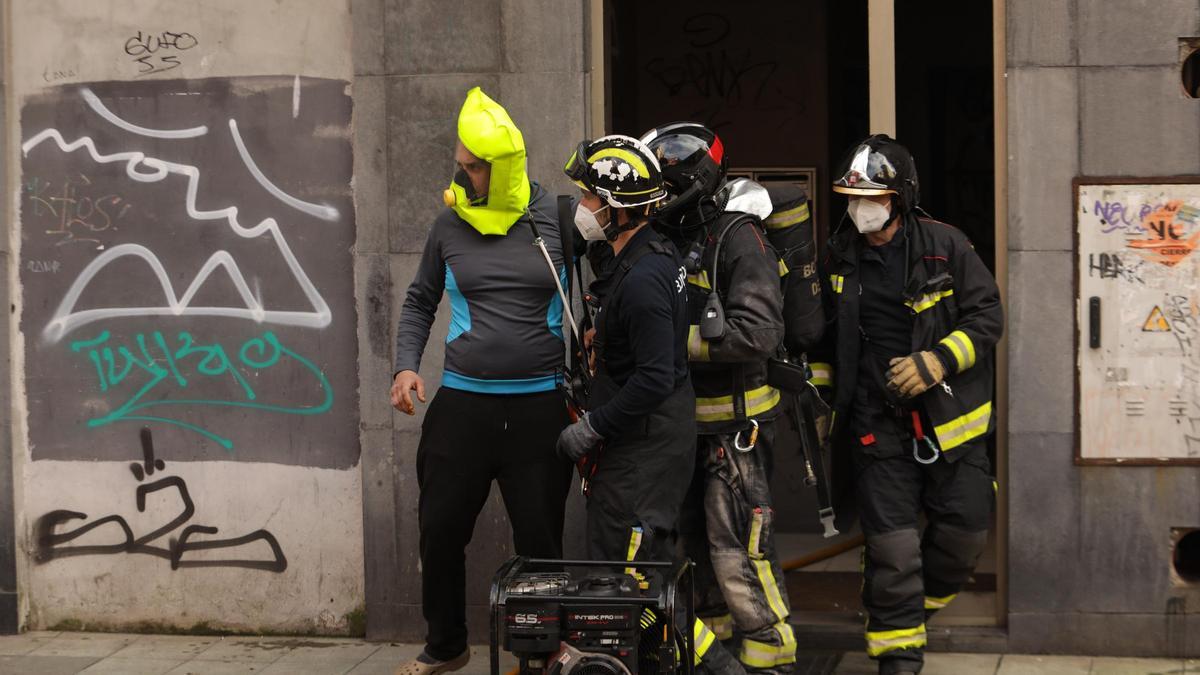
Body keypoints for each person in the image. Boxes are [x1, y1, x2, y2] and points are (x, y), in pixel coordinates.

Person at [390, 87, 573, 675]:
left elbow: (611, 281)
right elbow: (420, 300)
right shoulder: (449, 224)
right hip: (464, 405)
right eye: (460, 165)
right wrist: (404, 365)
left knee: (540, 543)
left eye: (474, 167)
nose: (463, 176)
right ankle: (446, 645)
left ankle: (538, 653)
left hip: (541, 409)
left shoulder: (560, 218)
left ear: (505, 167)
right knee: (439, 530)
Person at [811, 135, 1002, 675]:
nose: (858, 207)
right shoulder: (838, 256)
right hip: (878, 426)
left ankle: (905, 612)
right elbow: (825, 339)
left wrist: (936, 362)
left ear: (900, 198)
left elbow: (987, 317)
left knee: (964, 534)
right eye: (851, 196)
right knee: (893, 551)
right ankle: (899, 659)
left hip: (952, 425)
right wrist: (826, 396)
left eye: (870, 196)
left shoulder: (946, 246)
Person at [558, 135, 741, 674]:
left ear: (617, 209)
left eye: (590, 199)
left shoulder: (643, 278)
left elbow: (656, 378)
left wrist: (591, 427)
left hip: (642, 453)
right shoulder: (641, 258)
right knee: (638, 581)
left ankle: (720, 670)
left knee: (631, 585)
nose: (582, 209)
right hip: (642, 447)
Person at [641, 122, 797, 674]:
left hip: (737, 431)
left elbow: (759, 331)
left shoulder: (737, 238)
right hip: (686, 429)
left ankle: (772, 657)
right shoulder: (673, 234)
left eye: (662, 180)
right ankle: (722, 654)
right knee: (695, 552)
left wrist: (672, 344)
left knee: (739, 552)